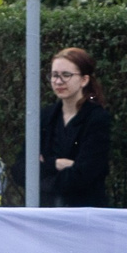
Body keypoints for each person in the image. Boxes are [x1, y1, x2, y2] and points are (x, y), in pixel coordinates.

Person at [40, 48, 113, 208]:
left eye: (66, 75)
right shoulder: (44, 117)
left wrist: (44, 172)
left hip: (85, 213)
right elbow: (21, 169)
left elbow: (86, 174)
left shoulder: (97, 119)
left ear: (84, 80)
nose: (58, 81)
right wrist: (56, 164)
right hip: (47, 213)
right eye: (54, 75)